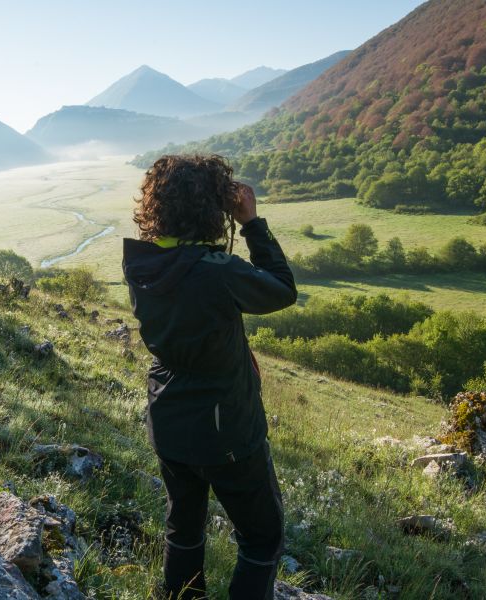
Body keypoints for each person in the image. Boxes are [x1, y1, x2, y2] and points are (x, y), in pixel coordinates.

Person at [122, 154, 297, 599]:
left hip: (168, 418)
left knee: (184, 529)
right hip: (228, 431)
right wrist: (252, 224)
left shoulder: (141, 263)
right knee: (261, 538)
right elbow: (281, 289)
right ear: (211, 210)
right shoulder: (218, 271)